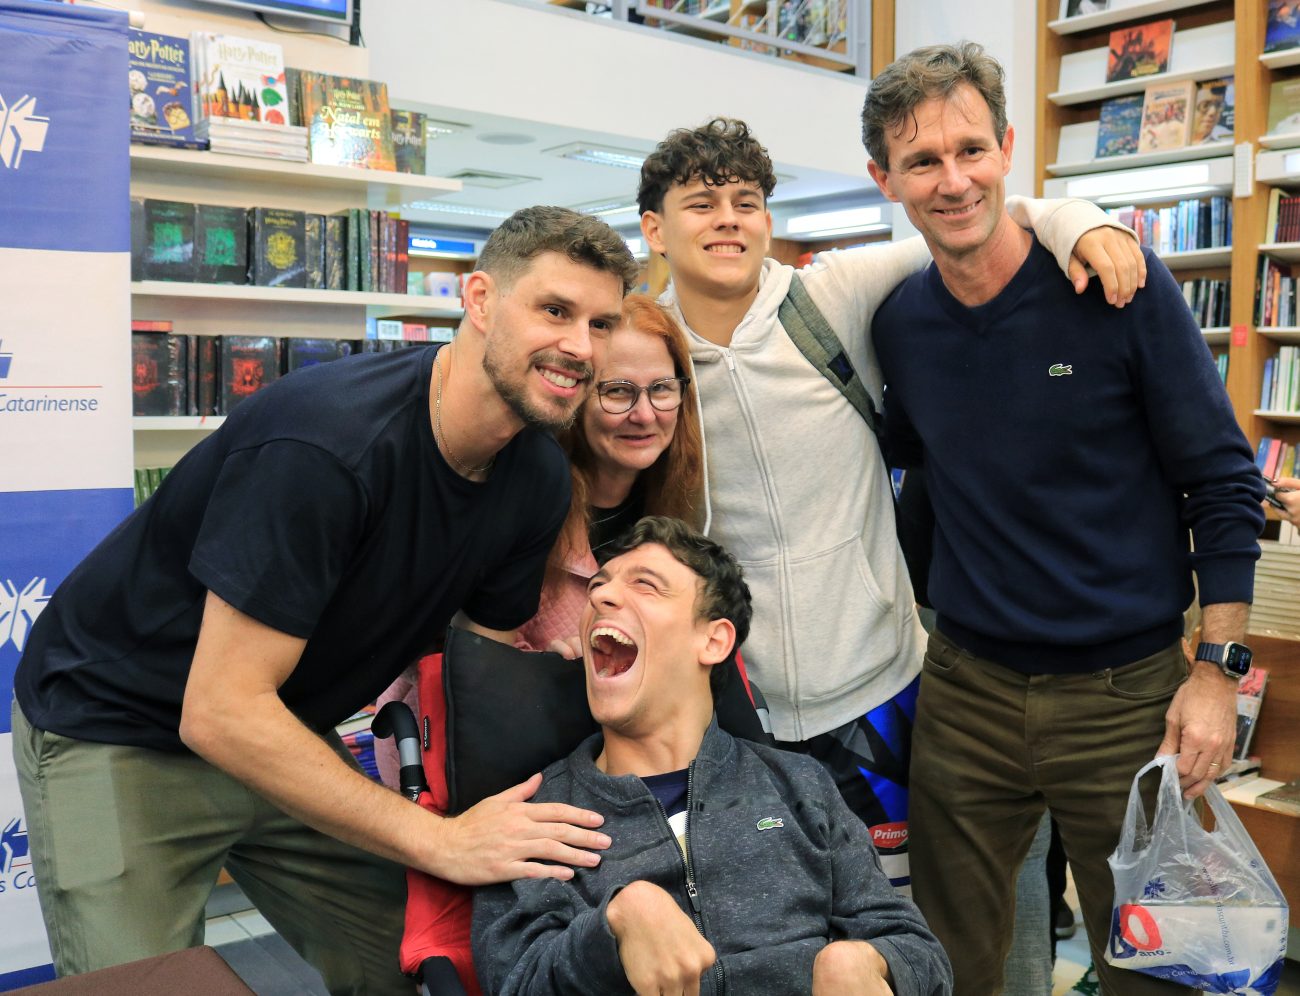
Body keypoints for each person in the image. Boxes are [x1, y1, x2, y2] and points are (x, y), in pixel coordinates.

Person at [12, 206, 640, 990]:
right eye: (555, 310)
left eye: (602, 322)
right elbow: (220, 710)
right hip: (122, 726)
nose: (580, 346)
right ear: (479, 300)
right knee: (150, 985)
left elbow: (477, 676)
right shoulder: (329, 446)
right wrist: (439, 841)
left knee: (430, 962)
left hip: (286, 730)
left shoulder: (536, 480)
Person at [636, 117, 1145, 887]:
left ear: (769, 220)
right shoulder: (642, 351)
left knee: (912, 916)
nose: (730, 220)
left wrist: (1083, 223)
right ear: (656, 229)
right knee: (776, 926)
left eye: (746, 201)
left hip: (880, 690)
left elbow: (983, 224)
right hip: (738, 710)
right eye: (703, 204)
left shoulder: (827, 298)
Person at [863, 42, 1266, 994]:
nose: (952, 179)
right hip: (965, 691)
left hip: (1126, 700)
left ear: (1009, 147)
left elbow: (1220, 479)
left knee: (1154, 965)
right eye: (921, 161)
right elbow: (924, 481)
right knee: (946, 959)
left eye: (971, 149)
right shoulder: (898, 325)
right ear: (883, 178)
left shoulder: (1119, 289)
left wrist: (1216, 673)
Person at [472, 516, 953, 996]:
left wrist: (864, 964)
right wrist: (614, 926)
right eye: (598, 585)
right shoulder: (534, 817)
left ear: (714, 640)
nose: (600, 596)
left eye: (645, 585)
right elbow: (512, 982)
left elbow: (920, 952)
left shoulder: (798, 785)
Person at [374, 292, 705, 780]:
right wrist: (538, 673)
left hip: (626, 785)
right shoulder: (511, 501)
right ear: (572, 393)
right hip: (499, 788)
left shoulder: (676, 515)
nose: (644, 413)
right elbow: (434, 674)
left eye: (662, 388)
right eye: (616, 391)